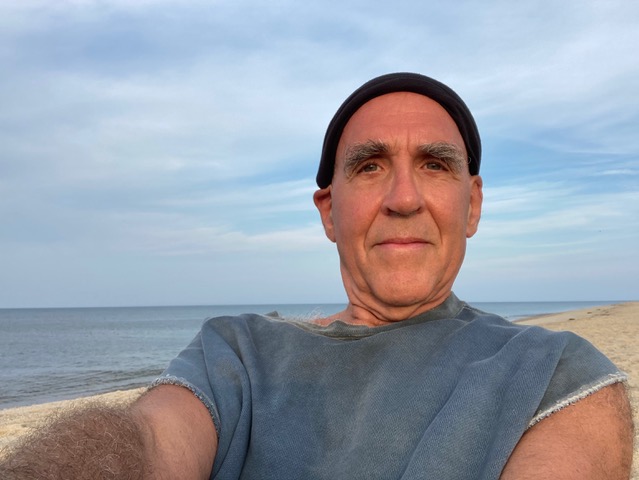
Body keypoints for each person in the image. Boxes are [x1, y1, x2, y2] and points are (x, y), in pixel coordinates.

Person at [1, 73, 633, 479]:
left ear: (473, 205)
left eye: (435, 165)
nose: (404, 198)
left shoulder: (556, 375)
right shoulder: (236, 354)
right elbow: (146, 443)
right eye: (370, 166)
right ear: (330, 211)